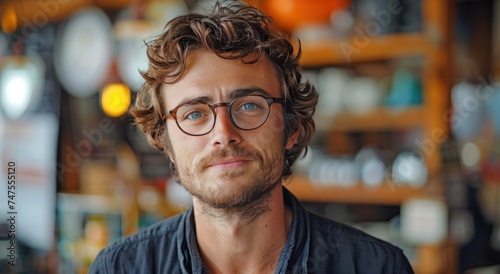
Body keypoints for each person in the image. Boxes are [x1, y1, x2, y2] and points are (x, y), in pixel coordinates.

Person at [89, 1, 414, 273]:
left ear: (292, 128)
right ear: (167, 143)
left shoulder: (377, 267)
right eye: (194, 113)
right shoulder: (119, 268)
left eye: (248, 106)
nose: (223, 134)